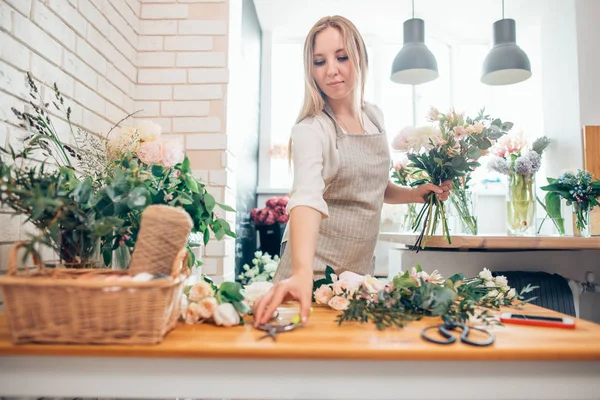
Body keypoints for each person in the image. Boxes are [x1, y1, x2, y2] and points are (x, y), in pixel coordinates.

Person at [253, 15, 451, 327]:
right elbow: (305, 198)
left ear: (360, 57)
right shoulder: (311, 129)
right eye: (319, 62)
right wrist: (302, 273)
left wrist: (415, 194)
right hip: (311, 275)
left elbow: (374, 186)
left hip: (356, 277)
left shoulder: (375, 117)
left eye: (341, 57)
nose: (331, 69)